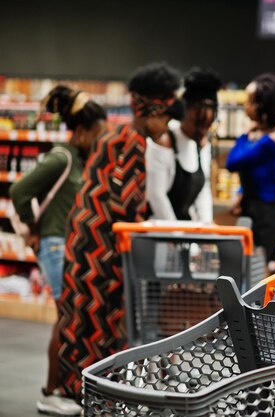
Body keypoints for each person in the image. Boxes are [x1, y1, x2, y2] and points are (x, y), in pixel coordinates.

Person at [57, 62, 182, 401]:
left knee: (81, 320)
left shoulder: (115, 135)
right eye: (166, 116)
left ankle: (82, 391)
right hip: (99, 251)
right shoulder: (131, 142)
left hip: (86, 246)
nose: (168, 124)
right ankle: (88, 394)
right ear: (151, 110)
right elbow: (124, 206)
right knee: (96, 322)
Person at [9, 86, 106, 416]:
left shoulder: (79, 158)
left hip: (68, 245)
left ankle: (63, 387)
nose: (100, 139)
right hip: (54, 244)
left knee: (69, 319)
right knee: (65, 318)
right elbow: (20, 189)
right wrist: (33, 230)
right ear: (80, 130)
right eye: (97, 133)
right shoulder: (61, 156)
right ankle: (50, 391)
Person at [226, 73, 275, 265]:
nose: (245, 106)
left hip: (265, 217)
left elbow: (233, 162)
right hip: (253, 210)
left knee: (260, 269)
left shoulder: (272, 141)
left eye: (250, 102)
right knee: (249, 265)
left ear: (263, 107)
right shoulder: (263, 137)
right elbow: (253, 172)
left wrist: (245, 135)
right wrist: (240, 193)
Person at [146, 67, 222, 222]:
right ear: (184, 111)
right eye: (198, 125)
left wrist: (205, 227)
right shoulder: (164, 141)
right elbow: (156, 195)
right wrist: (177, 235)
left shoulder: (202, 144)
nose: (202, 132)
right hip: (158, 230)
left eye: (207, 126)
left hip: (187, 231)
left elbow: (203, 189)